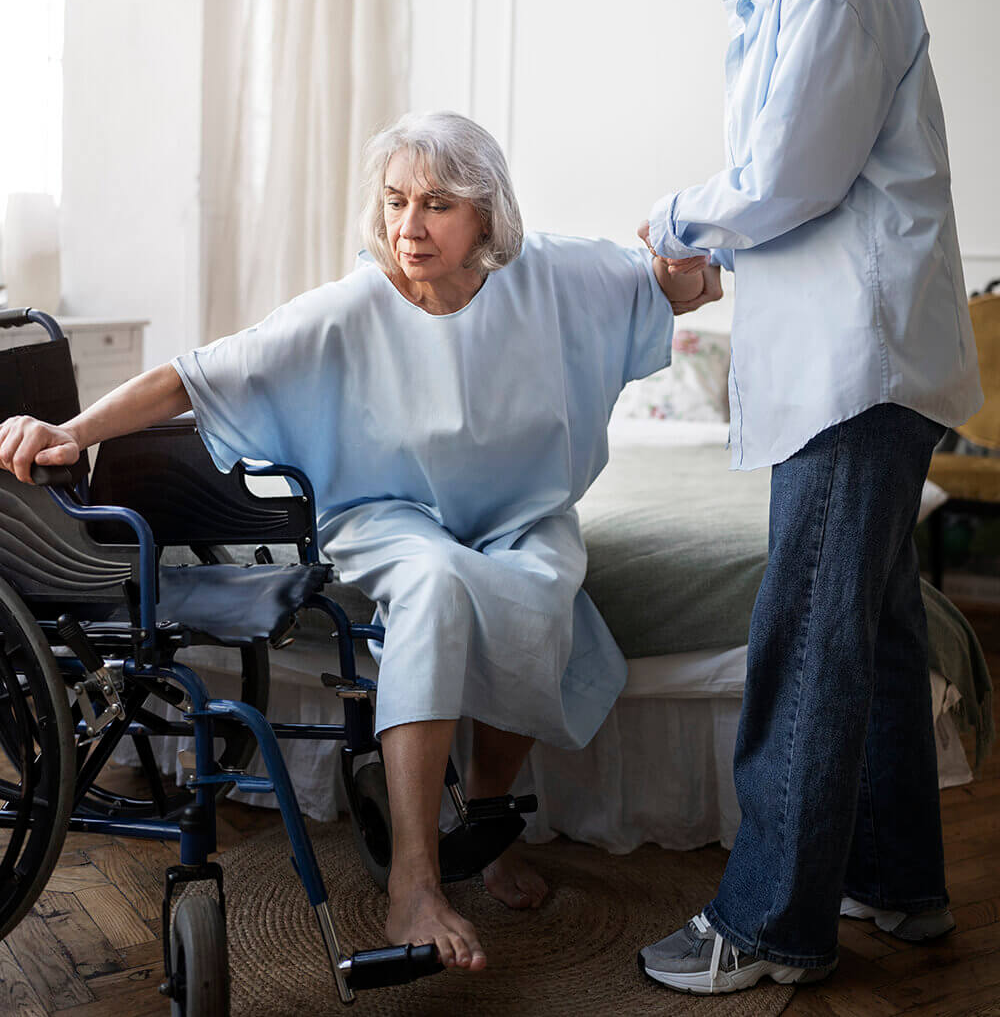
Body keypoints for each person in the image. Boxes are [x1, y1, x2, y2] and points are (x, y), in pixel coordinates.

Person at [0, 110, 708, 974]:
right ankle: (415, 877)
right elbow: (195, 375)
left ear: (486, 214)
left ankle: (483, 821)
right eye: (397, 200)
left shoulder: (556, 274)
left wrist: (691, 270)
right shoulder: (353, 305)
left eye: (439, 204)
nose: (410, 226)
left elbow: (672, 287)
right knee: (439, 583)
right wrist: (71, 429)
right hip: (390, 512)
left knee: (546, 581)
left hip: (522, 511)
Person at [633, 0, 983, 996]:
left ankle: (770, 919)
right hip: (853, 352)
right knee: (874, 631)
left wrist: (674, 221)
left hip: (858, 370)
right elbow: (820, 196)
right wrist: (720, 260)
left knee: (805, 636)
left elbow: (789, 178)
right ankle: (896, 880)